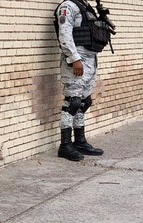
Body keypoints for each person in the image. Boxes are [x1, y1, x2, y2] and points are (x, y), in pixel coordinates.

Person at [54, 0, 113, 161]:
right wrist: (74, 59)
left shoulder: (86, 7)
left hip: (90, 60)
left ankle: (79, 141)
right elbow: (64, 34)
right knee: (72, 102)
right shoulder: (67, 7)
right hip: (76, 60)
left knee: (83, 102)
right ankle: (65, 145)